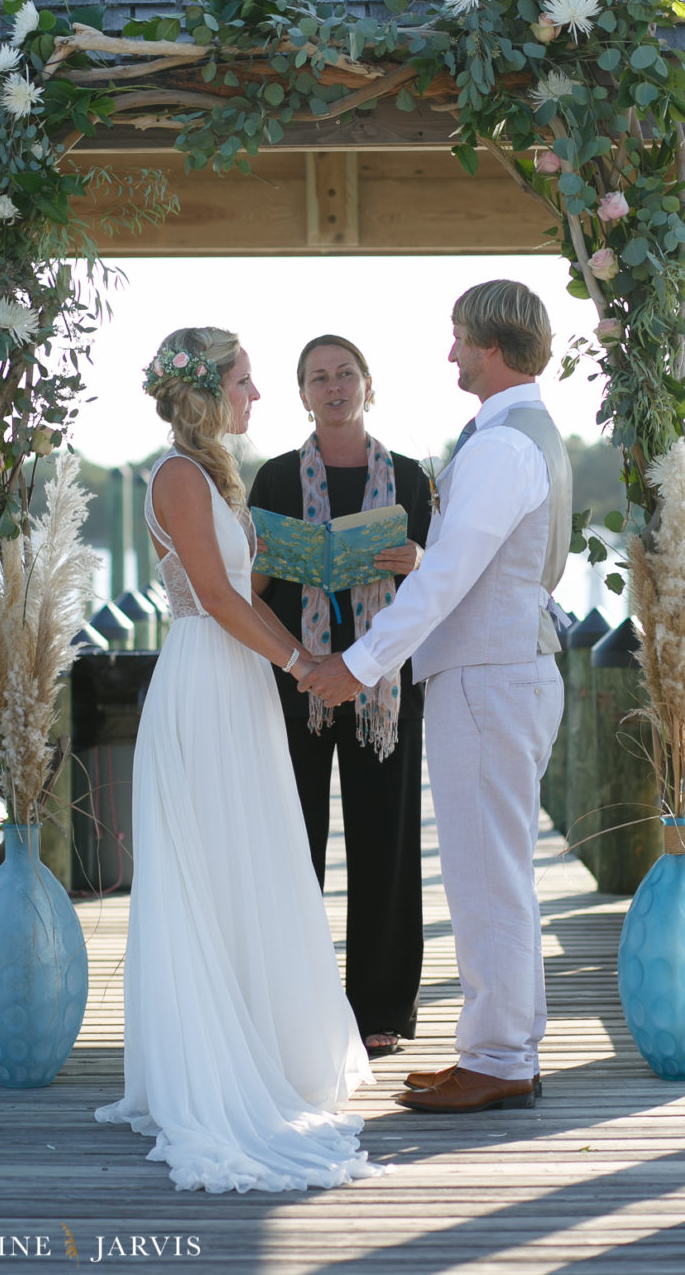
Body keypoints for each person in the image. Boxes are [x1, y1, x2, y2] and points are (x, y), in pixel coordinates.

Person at [95, 326, 377, 1193]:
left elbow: (240, 586)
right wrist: (302, 664)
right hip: (205, 683)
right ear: (208, 390)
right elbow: (213, 599)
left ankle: (262, 1039)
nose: (258, 397)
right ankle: (210, 1064)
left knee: (248, 859)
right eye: (247, 382)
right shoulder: (178, 475)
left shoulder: (213, 473)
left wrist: (306, 578)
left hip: (241, 685)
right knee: (210, 867)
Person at [303, 281, 572, 1115]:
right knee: (501, 869)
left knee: (485, 873)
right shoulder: (526, 435)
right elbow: (465, 564)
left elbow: (451, 580)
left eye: (458, 339)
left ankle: (496, 1055)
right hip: (502, 669)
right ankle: (507, 1047)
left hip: (488, 676)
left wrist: (357, 662)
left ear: (491, 347)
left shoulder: (499, 447)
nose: (450, 352)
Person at [248, 335, 432, 1060]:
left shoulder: (413, 480)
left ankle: (380, 1006)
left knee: (385, 841)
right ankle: (296, 1001)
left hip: (383, 684)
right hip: (300, 679)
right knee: (294, 843)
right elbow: (251, 587)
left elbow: (442, 583)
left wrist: (418, 558)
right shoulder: (272, 479)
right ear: (302, 394)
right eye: (318, 377)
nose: (333, 386)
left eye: (345, 373)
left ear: (367, 384)